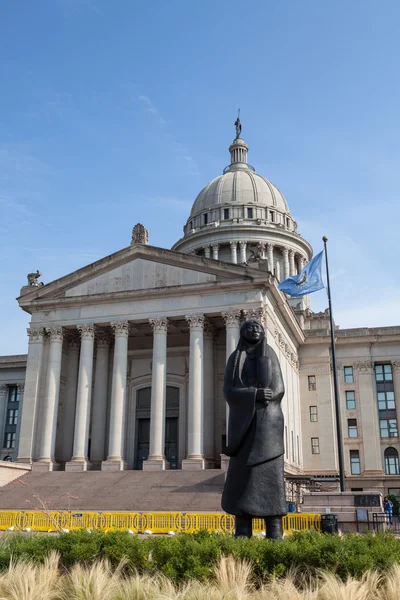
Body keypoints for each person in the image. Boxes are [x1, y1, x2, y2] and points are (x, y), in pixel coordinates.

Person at [221, 319, 287, 539]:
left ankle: (275, 532)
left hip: (268, 426)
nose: (256, 329)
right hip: (244, 428)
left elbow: (278, 388)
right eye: (250, 327)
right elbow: (229, 391)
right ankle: (242, 531)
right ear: (242, 332)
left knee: (271, 479)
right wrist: (253, 394)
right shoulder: (235, 358)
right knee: (241, 479)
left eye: (259, 326)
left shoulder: (270, 355)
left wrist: (266, 395)